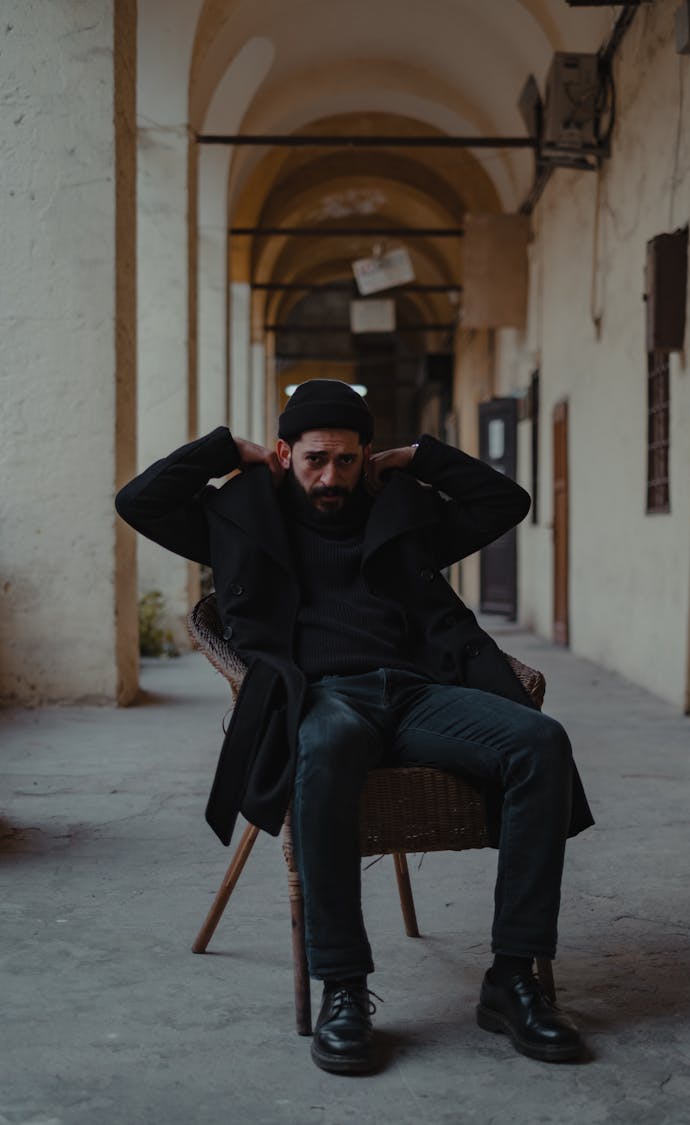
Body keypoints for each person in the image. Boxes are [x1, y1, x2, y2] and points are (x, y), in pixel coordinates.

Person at [115, 379, 593, 1074]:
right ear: (284, 452)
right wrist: (222, 449)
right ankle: (343, 986)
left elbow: (505, 503)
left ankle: (512, 977)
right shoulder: (240, 510)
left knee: (540, 742)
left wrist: (420, 458)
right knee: (329, 740)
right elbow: (138, 501)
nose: (330, 477)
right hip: (317, 696)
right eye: (314, 460)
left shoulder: (400, 505)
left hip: (416, 692)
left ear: (365, 454)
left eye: (345, 460)